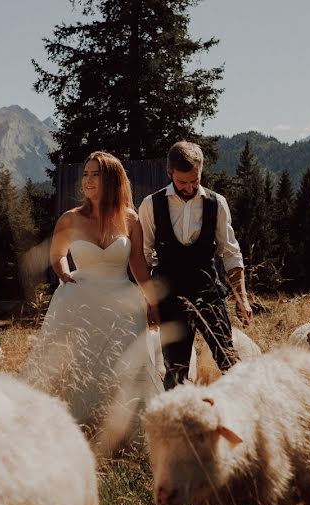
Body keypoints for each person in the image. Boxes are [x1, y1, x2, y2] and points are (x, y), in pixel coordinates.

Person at [20, 151, 164, 457]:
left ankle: (121, 433)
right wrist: (64, 274)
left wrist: (151, 301)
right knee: (78, 364)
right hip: (79, 300)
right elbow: (57, 254)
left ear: (111, 178)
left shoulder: (130, 218)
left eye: (95, 174)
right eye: (85, 174)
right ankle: (72, 430)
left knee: (122, 365)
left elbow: (137, 262)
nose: (87, 180)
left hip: (122, 303)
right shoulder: (70, 218)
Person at [139, 140, 253, 390]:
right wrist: (149, 302)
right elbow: (143, 256)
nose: (190, 187)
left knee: (228, 360)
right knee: (176, 371)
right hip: (169, 297)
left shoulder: (216, 203)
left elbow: (231, 252)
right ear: (170, 174)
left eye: (195, 180)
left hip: (208, 292)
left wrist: (241, 298)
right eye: (182, 182)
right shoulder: (151, 205)